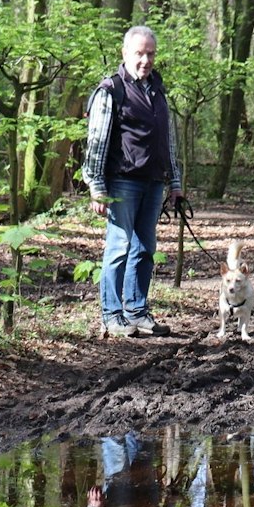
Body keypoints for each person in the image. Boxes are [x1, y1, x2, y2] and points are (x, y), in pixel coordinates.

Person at [83, 26, 186, 338]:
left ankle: (137, 311)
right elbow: (97, 142)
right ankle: (112, 315)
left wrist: (175, 181)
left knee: (145, 248)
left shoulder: (157, 89)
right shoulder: (110, 90)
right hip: (122, 182)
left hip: (154, 182)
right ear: (125, 53)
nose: (145, 60)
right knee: (118, 248)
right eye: (139, 53)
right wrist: (96, 186)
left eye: (150, 54)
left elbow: (168, 140)